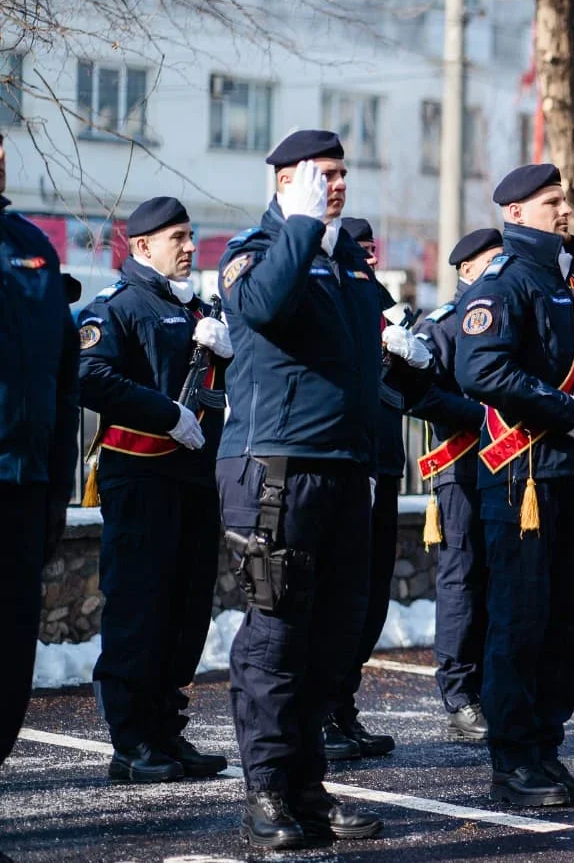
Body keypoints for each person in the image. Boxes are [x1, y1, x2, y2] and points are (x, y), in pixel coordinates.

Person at [216, 130, 388, 847]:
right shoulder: (252, 253)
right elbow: (261, 307)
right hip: (276, 472)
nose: (337, 185)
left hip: (343, 469)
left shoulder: (344, 262)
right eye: (323, 175)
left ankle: (307, 788)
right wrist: (300, 227)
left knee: (331, 638)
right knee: (277, 637)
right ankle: (266, 794)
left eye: (343, 174)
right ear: (285, 182)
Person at [454, 164, 574, 808]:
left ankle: (545, 747)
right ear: (514, 213)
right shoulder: (506, 281)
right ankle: (513, 758)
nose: (563, 209)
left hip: (571, 474)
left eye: (562, 199)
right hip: (522, 475)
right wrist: (562, 412)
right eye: (549, 201)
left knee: (569, 622)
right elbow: (480, 368)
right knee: (521, 621)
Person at [78, 197, 230, 784]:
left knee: (185, 611)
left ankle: (167, 728)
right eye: (178, 238)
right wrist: (164, 414)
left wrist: (223, 355)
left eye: (191, 236)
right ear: (142, 247)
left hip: (193, 477)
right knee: (139, 608)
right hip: (141, 476)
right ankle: (132, 740)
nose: (190, 247)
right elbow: (89, 375)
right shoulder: (118, 306)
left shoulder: (192, 306)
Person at [327, 217, 433, 763]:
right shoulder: (337, 295)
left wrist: (409, 359)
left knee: (370, 599)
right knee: (342, 595)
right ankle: (323, 710)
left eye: (373, 250)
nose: (367, 259)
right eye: (359, 250)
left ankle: (343, 704)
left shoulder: (381, 302)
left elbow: (412, 389)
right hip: (349, 463)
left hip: (385, 463)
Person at [0, 134, 80, 769]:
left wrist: (58, 487)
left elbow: (62, 373)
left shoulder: (32, 248)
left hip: (24, 489)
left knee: (9, 668)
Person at [409, 228, 504, 741]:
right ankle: (460, 693)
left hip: (508, 466)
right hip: (462, 464)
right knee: (463, 578)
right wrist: (484, 417)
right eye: (490, 263)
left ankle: (491, 684)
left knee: (500, 578)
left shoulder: (506, 314)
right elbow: (418, 396)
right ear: (466, 271)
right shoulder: (442, 324)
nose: (498, 271)